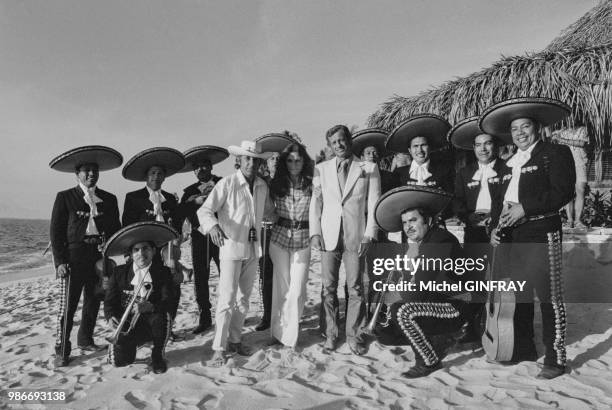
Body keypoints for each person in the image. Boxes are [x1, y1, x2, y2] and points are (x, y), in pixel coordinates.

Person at [482, 97, 575, 379]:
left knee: (549, 297)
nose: (520, 133)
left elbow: (563, 192)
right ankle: (522, 348)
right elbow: (498, 204)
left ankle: (555, 358)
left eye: (525, 126)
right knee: (517, 296)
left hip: (540, 231)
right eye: (514, 129)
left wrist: (526, 207)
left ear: (537, 128)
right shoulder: (506, 164)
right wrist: (494, 230)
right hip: (511, 237)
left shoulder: (554, 154)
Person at [372, 185, 470, 378]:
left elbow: (416, 293)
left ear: (428, 221)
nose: (408, 226)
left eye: (413, 220)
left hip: (458, 305)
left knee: (402, 311)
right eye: (405, 222)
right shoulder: (421, 244)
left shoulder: (439, 241)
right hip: (436, 300)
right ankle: (439, 339)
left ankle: (429, 361)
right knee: (383, 329)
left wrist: (396, 293)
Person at [198, 140, 275, 366]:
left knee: (243, 300)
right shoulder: (227, 184)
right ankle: (218, 348)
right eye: (247, 158)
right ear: (239, 161)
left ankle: (235, 340)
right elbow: (205, 210)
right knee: (226, 299)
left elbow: (269, 211)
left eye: (255, 159)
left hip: (253, 248)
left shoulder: (262, 186)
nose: (251, 163)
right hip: (230, 248)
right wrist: (212, 227)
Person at [309, 125, 381, 355]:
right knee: (328, 287)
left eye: (342, 140)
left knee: (356, 288)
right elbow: (316, 204)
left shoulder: (368, 167)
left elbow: (374, 204)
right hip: (328, 235)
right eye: (334, 142)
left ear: (349, 141)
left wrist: (370, 234)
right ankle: (330, 334)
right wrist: (315, 232)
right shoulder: (321, 169)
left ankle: (354, 335)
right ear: (330, 146)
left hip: (356, 235)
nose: (339, 145)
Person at [49, 145, 122, 367]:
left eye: (95, 171)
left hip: (98, 257)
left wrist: (111, 251)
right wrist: (60, 262)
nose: (91, 174)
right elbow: (56, 232)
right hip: (73, 256)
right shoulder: (65, 197)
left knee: (93, 300)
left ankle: (86, 339)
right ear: (77, 174)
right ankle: (62, 349)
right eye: (86, 171)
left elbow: (115, 229)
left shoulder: (109, 199)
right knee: (68, 306)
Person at [448, 117, 510, 344]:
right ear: (472, 148)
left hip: (500, 232)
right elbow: (457, 201)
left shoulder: (507, 169)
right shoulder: (465, 173)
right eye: (478, 144)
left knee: (501, 279)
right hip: (473, 232)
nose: (483, 148)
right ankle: (474, 328)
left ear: (496, 146)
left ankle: (502, 328)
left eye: (488, 143)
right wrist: (467, 216)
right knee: (474, 281)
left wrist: (496, 219)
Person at [121, 147, 185, 337]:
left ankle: (167, 327)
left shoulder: (171, 200)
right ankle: (143, 330)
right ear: (146, 177)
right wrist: (128, 255)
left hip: (167, 254)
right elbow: (127, 228)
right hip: (143, 253)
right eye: (152, 173)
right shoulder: (133, 198)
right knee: (144, 293)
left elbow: (178, 226)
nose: (156, 177)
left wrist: (176, 243)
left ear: (164, 177)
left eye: (160, 174)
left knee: (171, 291)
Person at [104, 222, 177, 374]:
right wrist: (110, 317)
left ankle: (157, 355)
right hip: (127, 323)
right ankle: (132, 344)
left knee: (162, 317)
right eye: (136, 250)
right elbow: (109, 302)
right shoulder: (119, 273)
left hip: (153, 322)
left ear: (153, 251)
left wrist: (151, 306)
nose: (141, 253)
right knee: (118, 361)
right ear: (131, 254)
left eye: (145, 249)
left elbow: (169, 302)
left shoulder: (163, 272)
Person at [177, 146, 228, 334]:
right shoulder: (188, 192)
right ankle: (204, 317)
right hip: (199, 238)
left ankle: (228, 314)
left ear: (211, 167)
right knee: (201, 278)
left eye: (204, 166)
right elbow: (182, 213)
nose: (201, 170)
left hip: (223, 236)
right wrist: (193, 202)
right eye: (196, 167)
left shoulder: (224, 183)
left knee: (227, 275)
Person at [268, 142, 313, 348]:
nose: (294, 163)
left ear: (304, 161)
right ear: (285, 163)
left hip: (304, 239)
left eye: (298, 160)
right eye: (290, 160)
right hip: (279, 238)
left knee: (297, 290)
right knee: (281, 289)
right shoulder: (276, 184)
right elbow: (267, 211)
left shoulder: (312, 184)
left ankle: (290, 337)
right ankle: (279, 333)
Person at [253, 133, 295, 331]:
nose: (275, 162)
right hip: (265, 231)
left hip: (286, 231)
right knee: (266, 273)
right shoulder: (260, 183)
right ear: (266, 163)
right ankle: (267, 316)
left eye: (278, 159)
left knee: (286, 273)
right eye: (272, 159)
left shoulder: (290, 182)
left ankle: (287, 312)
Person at [387, 114, 454, 194]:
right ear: (409, 150)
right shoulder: (398, 173)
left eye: (423, 145)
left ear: (430, 148)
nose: (420, 150)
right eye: (415, 146)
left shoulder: (444, 171)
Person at [552, 126, 589, 229]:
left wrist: (561, 140)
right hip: (565, 164)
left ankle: (578, 221)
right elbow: (550, 137)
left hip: (580, 163)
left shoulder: (582, 129)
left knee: (580, 190)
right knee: (568, 192)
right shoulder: (561, 130)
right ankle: (570, 221)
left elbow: (582, 143)